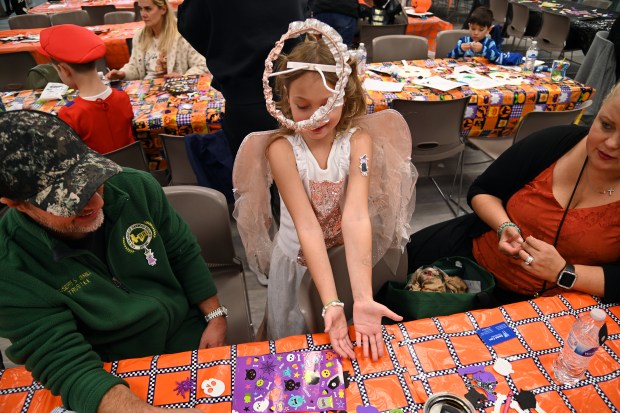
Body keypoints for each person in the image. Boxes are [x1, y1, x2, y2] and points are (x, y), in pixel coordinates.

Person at [0, 110, 227, 413]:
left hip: (186, 333)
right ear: (17, 204)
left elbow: (181, 250)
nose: (96, 202)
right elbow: (63, 361)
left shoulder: (135, 187)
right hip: (108, 372)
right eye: (70, 199)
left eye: (94, 180)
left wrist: (214, 314)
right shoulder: (10, 264)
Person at [233, 20, 417, 360]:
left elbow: (357, 214)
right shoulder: (282, 150)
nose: (316, 117)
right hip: (298, 261)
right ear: (285, 98)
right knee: (295, 340)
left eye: (327, 104)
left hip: (344, 258)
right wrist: (331, 301)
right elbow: (307, 226)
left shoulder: (359, 143)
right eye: (303, 106)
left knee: (341, 345)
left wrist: (360, 297)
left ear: (344, 96)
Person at [407, 83, 620, 305]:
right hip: (466, 261)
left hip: (545, 306)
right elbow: (483, 190)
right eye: (605, 125)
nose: (612, 143)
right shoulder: (556, 142)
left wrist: (564, 273)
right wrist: (504, 226)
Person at [177, 0, 308, 156]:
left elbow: (190, 24)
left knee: (255, 173)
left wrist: (222, 51)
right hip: (287, 86)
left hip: (247, 90)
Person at [38, 24, 135, 155]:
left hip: (99, 174)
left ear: (65, 70)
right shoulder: (122, 97)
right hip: (133, 171)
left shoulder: (69, 114)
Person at [106, 0, 207, 81]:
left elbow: (202, 66)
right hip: (147, 92)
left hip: (175, 91)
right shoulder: (140, 36)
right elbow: (135, 67)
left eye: (148, 9)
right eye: (140, 9)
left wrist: (183, 77)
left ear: (163, 9)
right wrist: (122, 73)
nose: (143, 14)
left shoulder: (182, 33)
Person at [448, 6, 522, 65]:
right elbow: (450, 56)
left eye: (481, 30)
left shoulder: (490, 43)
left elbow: (497, 57)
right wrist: (460, 49)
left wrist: (483, 49)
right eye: (473, 28)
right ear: (469, 26)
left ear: (488, 30)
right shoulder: (463, 40)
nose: (476, 33)